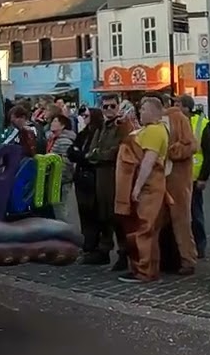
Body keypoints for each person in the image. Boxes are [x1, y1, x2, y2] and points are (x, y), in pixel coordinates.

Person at [114, 96, 171, 283]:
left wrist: (137, 187)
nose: (141, 112)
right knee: (147, 229)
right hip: (150, 186)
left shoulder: (155, 131)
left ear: (155, 112)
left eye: (144, 109)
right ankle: (147, 268)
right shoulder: (149, 130)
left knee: (144, 228)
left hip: (149, 187)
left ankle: (143, 270)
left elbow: (148, 161)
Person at [85, 96, 127, 267]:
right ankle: (104, 250)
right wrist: (97, 155)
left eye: (112, 106)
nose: (109, 109)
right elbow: (91, 152)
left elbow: (117, 151)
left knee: (118, 217)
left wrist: (98, 155)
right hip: (101, 176)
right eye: (105, 107)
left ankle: (124, 253)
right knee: (103, 215)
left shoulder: (122, 127)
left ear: (118, 107)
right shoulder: (101, 127)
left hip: (116, 176)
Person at [161, 102, 199, 275]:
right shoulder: (153, 122)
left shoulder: (177, 119)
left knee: (181, 219)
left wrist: (171, 151)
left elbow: (191, 145)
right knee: (161, 221)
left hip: (177, 178)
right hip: (159, 178)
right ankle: (165, 259)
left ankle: (187, 259)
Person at [175, 96, 210, 258]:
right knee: (181, 215)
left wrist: (204, 177)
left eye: (177, 104)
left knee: (195, 214)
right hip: (178, 177)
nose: (174, 107)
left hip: (194, 177)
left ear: (186, 108)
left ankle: (200, 245)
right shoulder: (174, 122)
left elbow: (209, 152)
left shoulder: (201, 124)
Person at [67, 107, 103, 257]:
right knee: (83, 212)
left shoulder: (98, 133)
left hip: (92, 177)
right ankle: (87, 243)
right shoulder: (83, 133)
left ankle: (94, 244)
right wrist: (82, 155)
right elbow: (72, 152)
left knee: (93, 212)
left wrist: (82, 155)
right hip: (80, 176)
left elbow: (92, 156)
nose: (83, 117)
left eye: (86, 115)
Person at [45, 114, 77, 223]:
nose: (52, 124)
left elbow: (66, 163)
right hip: (54, 178)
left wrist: (60, 177)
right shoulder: (53, 139)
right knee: (56, 207)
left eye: (55, 121)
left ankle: (66, 231)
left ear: (62, 125)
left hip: (61, 180)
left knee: (61, 208)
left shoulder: (64, 141)